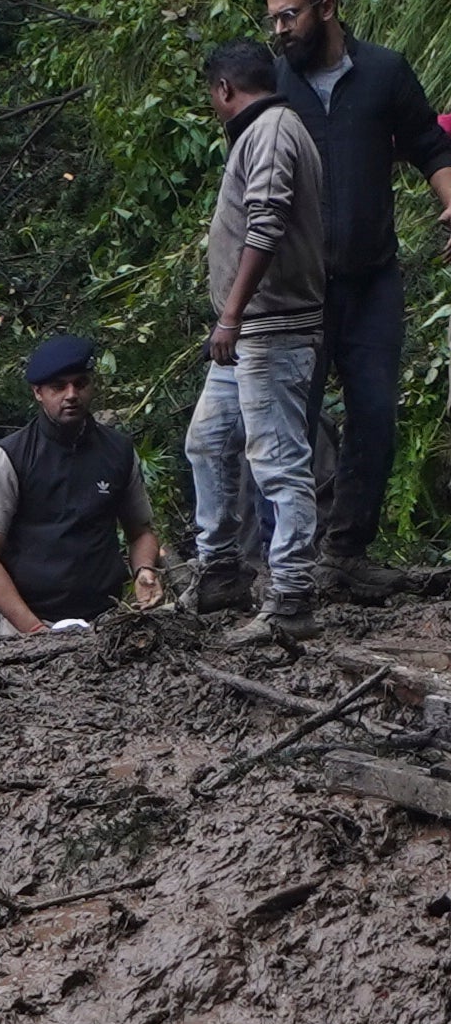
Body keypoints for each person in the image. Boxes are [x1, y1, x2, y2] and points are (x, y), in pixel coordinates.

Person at [263, 0, 451, 601]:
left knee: (374, 414)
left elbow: (430, 143)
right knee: (292, 423)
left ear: (327, 8)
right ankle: (284, 565)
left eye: (290, 15)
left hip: (372, 279)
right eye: (274, 20)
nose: (282, 30)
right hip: (301, 288)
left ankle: (346, 555)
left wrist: (449, 198)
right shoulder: (274, 87)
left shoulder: (383, 73)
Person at [189, 39, 329, 638]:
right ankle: (220, 572)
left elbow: (266, 220)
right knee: (209, 440)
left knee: (277, 461)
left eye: (212, 97)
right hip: (249, 332)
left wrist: (232, 315)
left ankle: (292, 598)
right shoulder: (268, 129)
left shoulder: (270, 128)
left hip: (269, 327)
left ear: (224, 89)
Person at [0, 339, 165, 637]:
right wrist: (34, 630)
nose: (71, 395)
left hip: (107, 621)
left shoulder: (118, 451)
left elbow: (141, 531)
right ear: (38, 392)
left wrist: (144, 571)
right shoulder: (6, 458)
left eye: (80, 383)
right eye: (58, 387)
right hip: (30, 625)